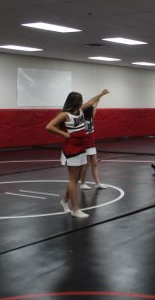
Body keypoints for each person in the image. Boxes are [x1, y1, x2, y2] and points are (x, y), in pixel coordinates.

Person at [46, 89, 110, 218]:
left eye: (81, 100)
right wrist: (64, 134)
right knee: (73, 179)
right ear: (73, 102)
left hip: (82, 147)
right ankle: (75, 210)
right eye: (79, 100)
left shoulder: (80, 110)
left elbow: (92, 101)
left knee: (75, 179)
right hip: (72, 149)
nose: (81, 102)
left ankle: (64, 201)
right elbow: (49, 126)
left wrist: (101, 94)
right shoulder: (65, 115)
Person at [79, 97, 107, 190]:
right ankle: (82, 183)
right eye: (91, 111)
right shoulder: (81, 118)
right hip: (84, 144)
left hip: (91, 144)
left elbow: (95, 109)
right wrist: (97, 98)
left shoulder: (91, 118)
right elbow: (82, 109)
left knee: (94, 164)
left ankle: (97, 183)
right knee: (86, 165)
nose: (94, 112)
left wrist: (98, 99)